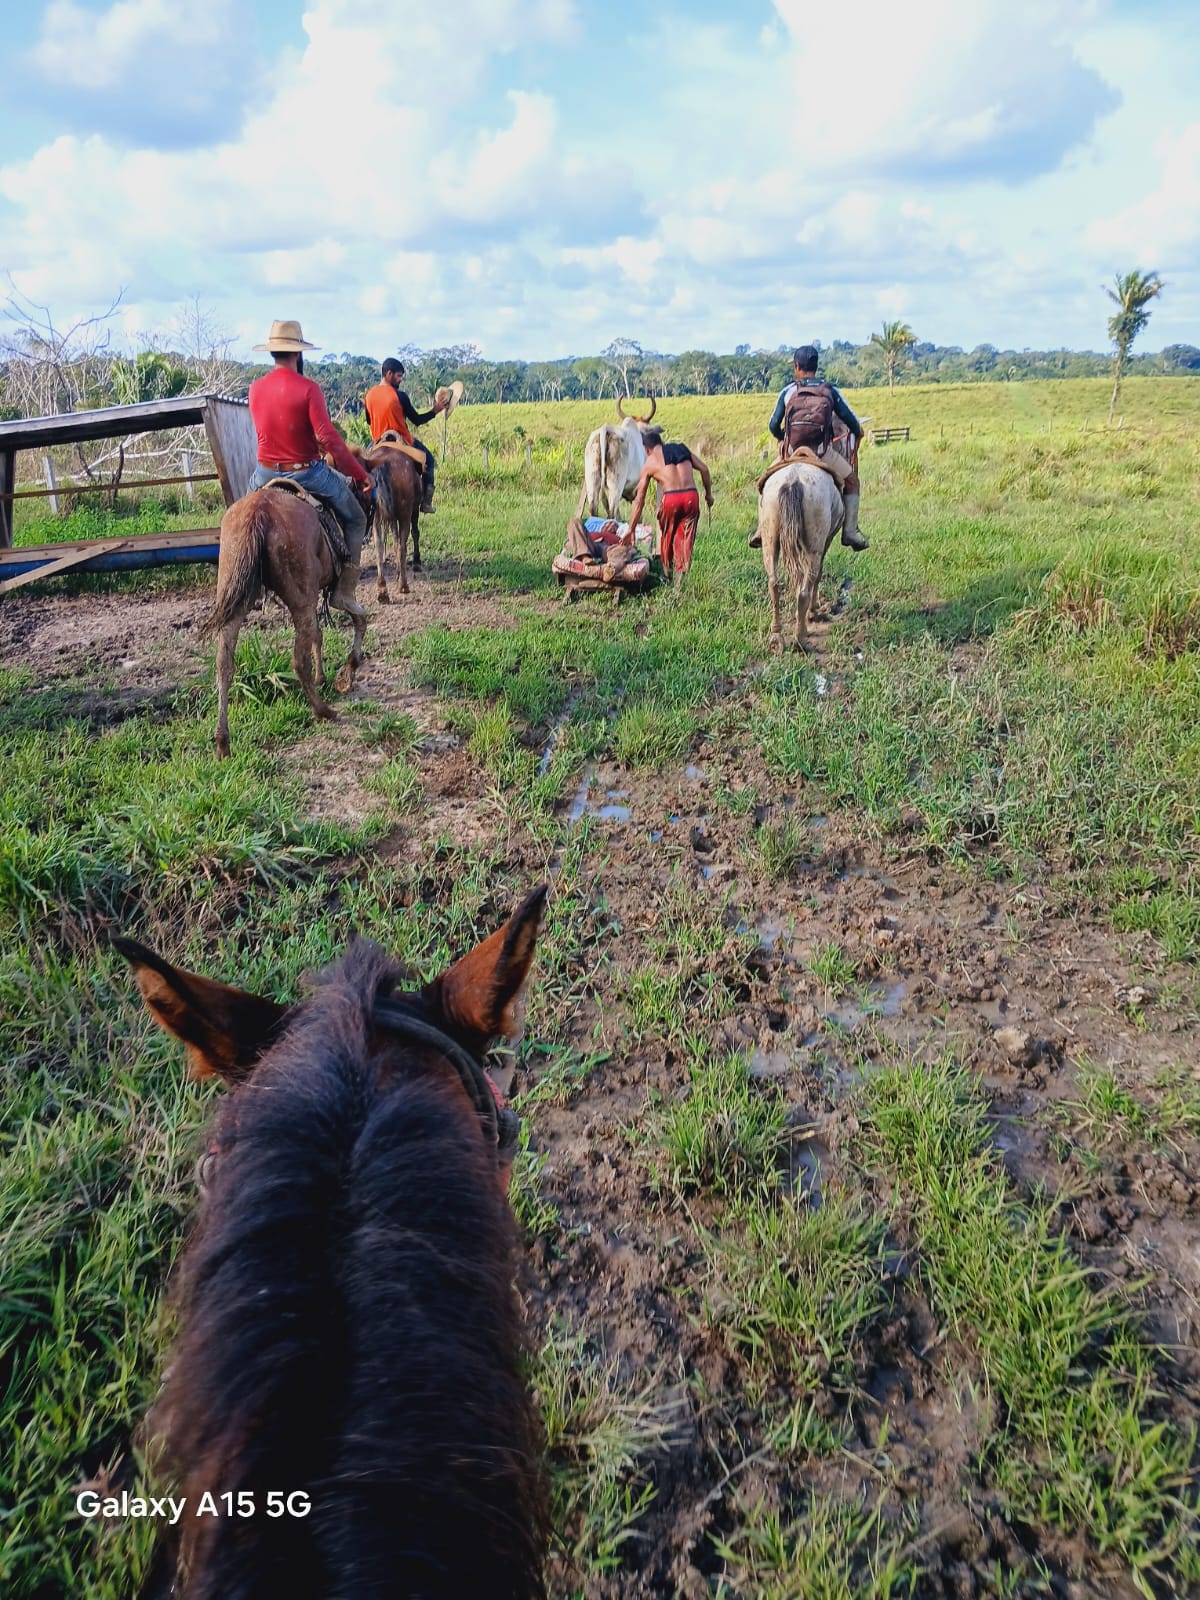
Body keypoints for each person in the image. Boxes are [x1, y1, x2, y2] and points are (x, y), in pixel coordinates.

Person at [247, 319, 373, 609]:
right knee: (356, 518)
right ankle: (345, 591)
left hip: (263, 472)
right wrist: (359, 473)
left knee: (241, 518)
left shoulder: (255, 389)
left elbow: (273, 431)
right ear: (298, 353)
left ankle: (250, 584)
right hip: (307, 472)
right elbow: (327, 437)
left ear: (272, 352)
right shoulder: (308, 388)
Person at [749, 344, 868, 551]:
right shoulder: (831, 391)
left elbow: (772, 425)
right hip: (822, 453)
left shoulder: (788, 391)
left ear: (796, 366)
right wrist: (858, 434)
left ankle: (762, 529)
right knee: (852, 482)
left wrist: (782, 439)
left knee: (765, 481)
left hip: (791, 452)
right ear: (816, 365)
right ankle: (850, 532)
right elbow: (851, 421)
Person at [624, 428, 713, 585]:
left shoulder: (650, 461)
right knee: (685, 538)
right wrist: (708, 494)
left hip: (671, 499)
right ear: (661, 442)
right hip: (691, 497)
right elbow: (704, 469)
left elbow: (639, 501)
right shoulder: (682, 449)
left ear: (646, 449)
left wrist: (631, 529)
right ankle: (680, 582)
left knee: (667, 536)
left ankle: (666, 575)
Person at [363, 358, 449, 514]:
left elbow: (369, 421)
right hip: (402, 439)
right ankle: (426, 503)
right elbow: (417, 420)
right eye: (398, 376)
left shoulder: (368, 395)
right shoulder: (400, 396)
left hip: (377, 441)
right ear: (389, 374)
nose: (400, 380)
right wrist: (435, 410)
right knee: (429, 459)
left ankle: (364, 503)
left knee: (363, 466)